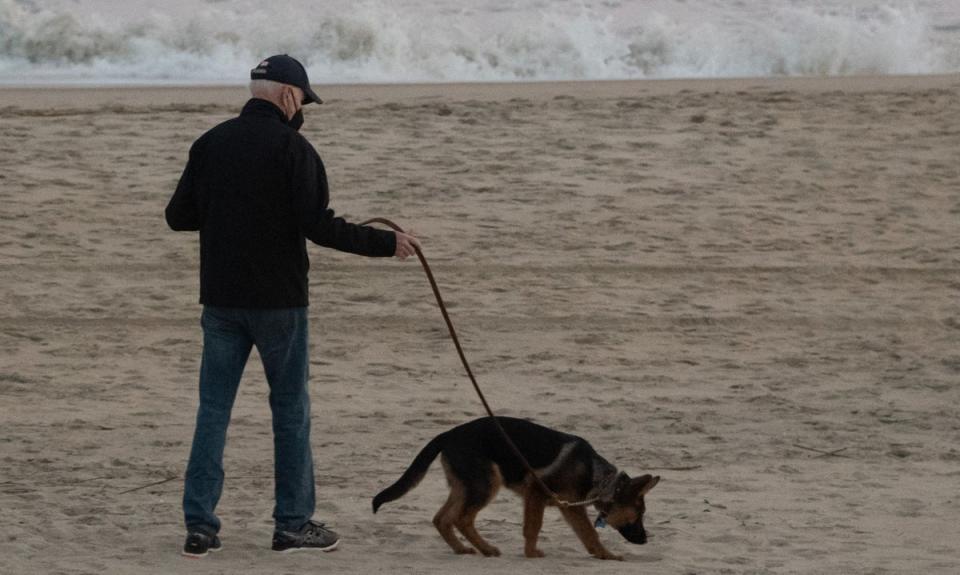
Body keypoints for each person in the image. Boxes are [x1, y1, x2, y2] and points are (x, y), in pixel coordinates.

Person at [165, 54, 421, 558]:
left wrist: (229, 212)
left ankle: (199, 526)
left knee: (213, 411)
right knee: (290, 412)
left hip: (220, 300)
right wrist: (387, 244)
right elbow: (319, 226)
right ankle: (292, 524)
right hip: (279, 303)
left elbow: (179, 216)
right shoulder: (294, 148)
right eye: (303, 99)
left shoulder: (210, 142)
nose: (303, 108)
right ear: (287, 95)